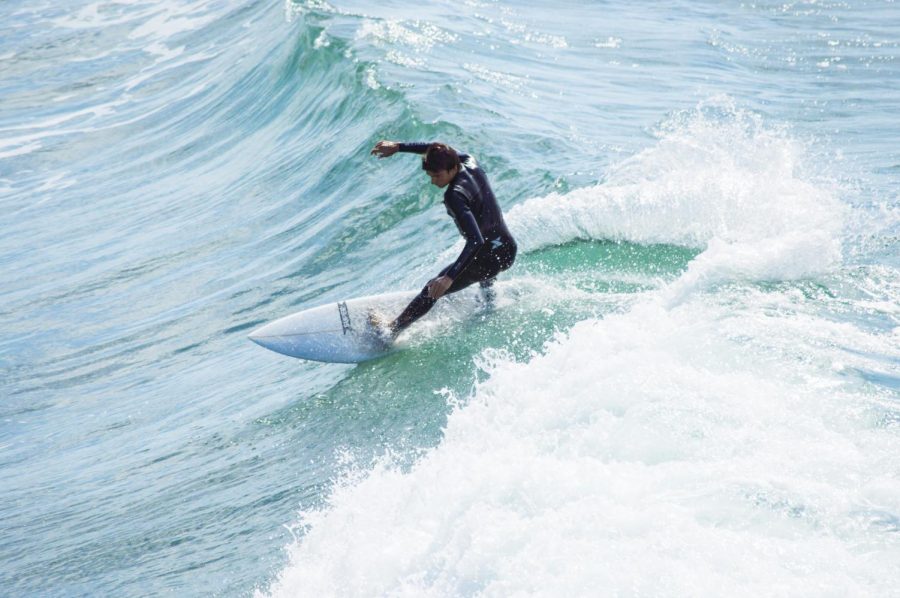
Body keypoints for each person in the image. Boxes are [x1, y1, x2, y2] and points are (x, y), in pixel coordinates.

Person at [369, 140, 517, 338]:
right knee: (484, 259)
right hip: (507, 249)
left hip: (488, 257)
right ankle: (490, 301)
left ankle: (391, 331)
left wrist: (448, 278)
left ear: (453, 168)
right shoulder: (470, 162)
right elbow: (438, 147)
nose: (433, 181)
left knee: (433, 287)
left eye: (437, 175)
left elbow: (475, 241)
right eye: (430, 175)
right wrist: (398, 147)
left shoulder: (454, 196)